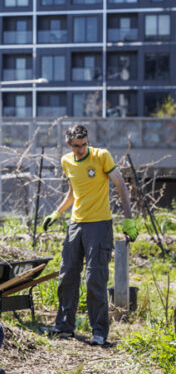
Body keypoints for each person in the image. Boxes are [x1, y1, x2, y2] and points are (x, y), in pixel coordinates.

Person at [42, 124, 136, 346]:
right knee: (67, 275)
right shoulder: (67, 161)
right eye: (76, 146)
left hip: (99, 225)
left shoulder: (101, 156)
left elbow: (121, 185)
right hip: (76, 224)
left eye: (84, 145)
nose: (81, 150)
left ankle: (99, 331)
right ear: (69, 144)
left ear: (88, 141)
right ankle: (65, 327)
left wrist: (128, 219)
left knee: (95, 278)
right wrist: (57, 213)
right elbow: (74, 192)